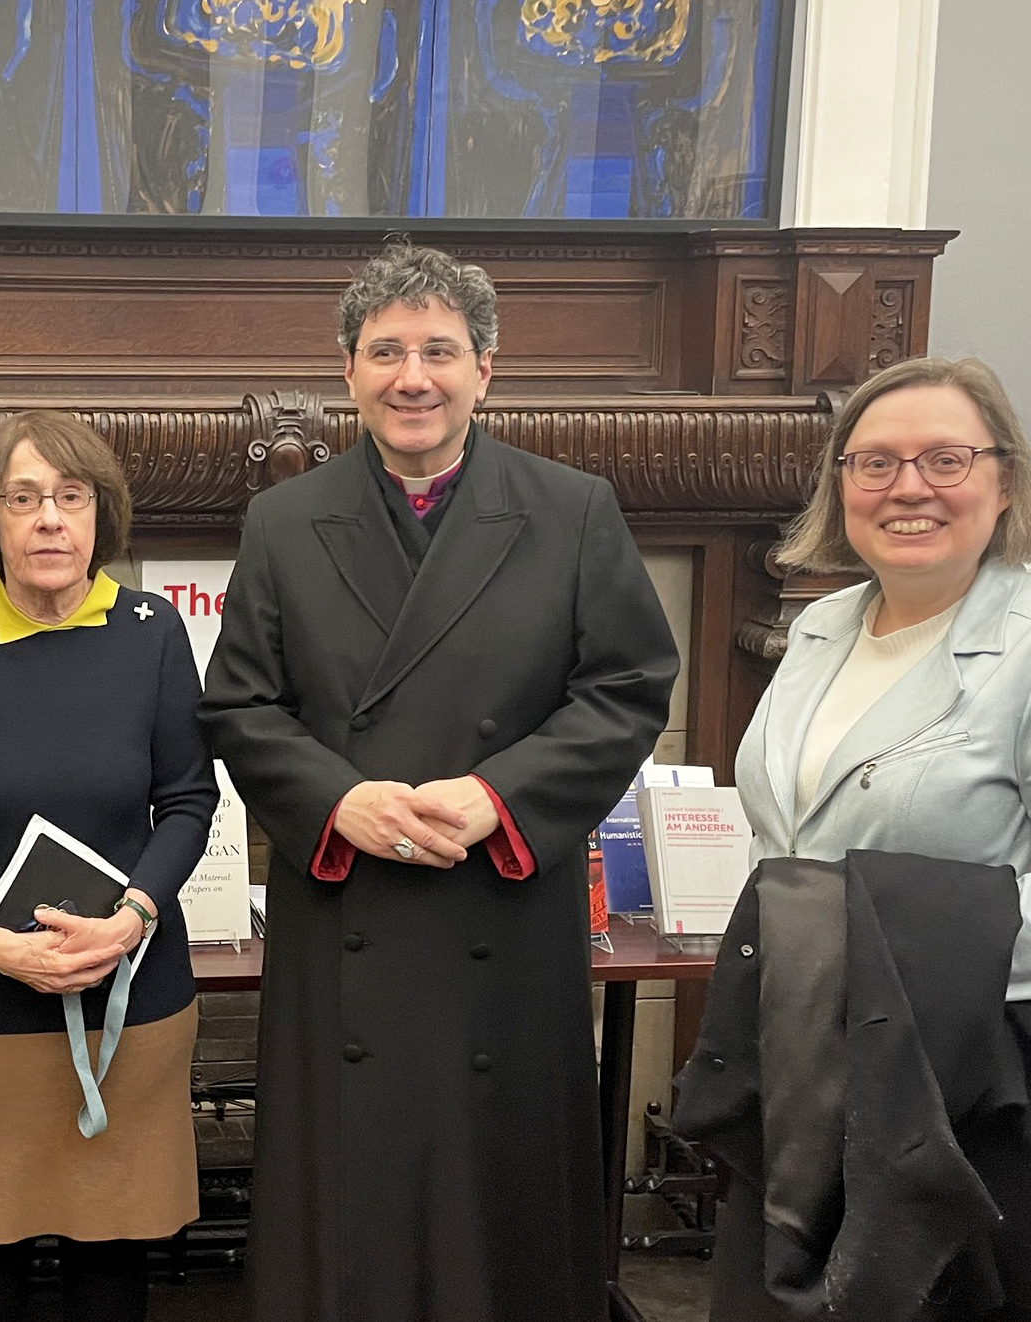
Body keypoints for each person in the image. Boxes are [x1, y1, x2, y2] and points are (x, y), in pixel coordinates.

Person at [199, 241, 680, 1322]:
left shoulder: (570, 509)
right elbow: (237, 704)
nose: (411, 375)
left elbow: (626, 685)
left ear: (484, 368)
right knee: (349, 1200)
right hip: (348, 911)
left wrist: (499, 794)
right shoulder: (283, 519)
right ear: (347, 371)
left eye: (437, 350)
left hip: (500, 911)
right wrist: (338, 800)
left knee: (496, 1206)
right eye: (384, 351)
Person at [719, 355, 1031, 1320]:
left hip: (992, 1084)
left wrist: (879, 953)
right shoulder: (820, 630)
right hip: (825, 1063)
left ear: (1004, 481)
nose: (907, 487)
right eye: (874, 462)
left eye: (945, 458)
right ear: (838, 484)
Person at [0, 411, 218, 1322]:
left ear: (101, 514)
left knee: (114, 1263)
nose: (49, 520)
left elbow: (188, 801)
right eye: (23, 499)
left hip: (129, 1004)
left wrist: (133, 917)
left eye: (70, 497)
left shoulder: (153, 632)